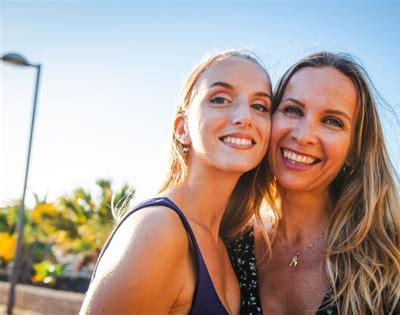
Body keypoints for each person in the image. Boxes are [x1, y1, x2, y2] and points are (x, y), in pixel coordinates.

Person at [226, 52, 400, 314]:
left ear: (354, 149)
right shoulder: (232, 243)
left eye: (332, 121)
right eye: (293, 110)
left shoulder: (393, 253)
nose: (304, 135)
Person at [80, 50, 273, 314]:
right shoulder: (159, 229)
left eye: (260, 106)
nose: (245, 116)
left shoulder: (227, 244)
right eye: (220, 99)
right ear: (182, 129)